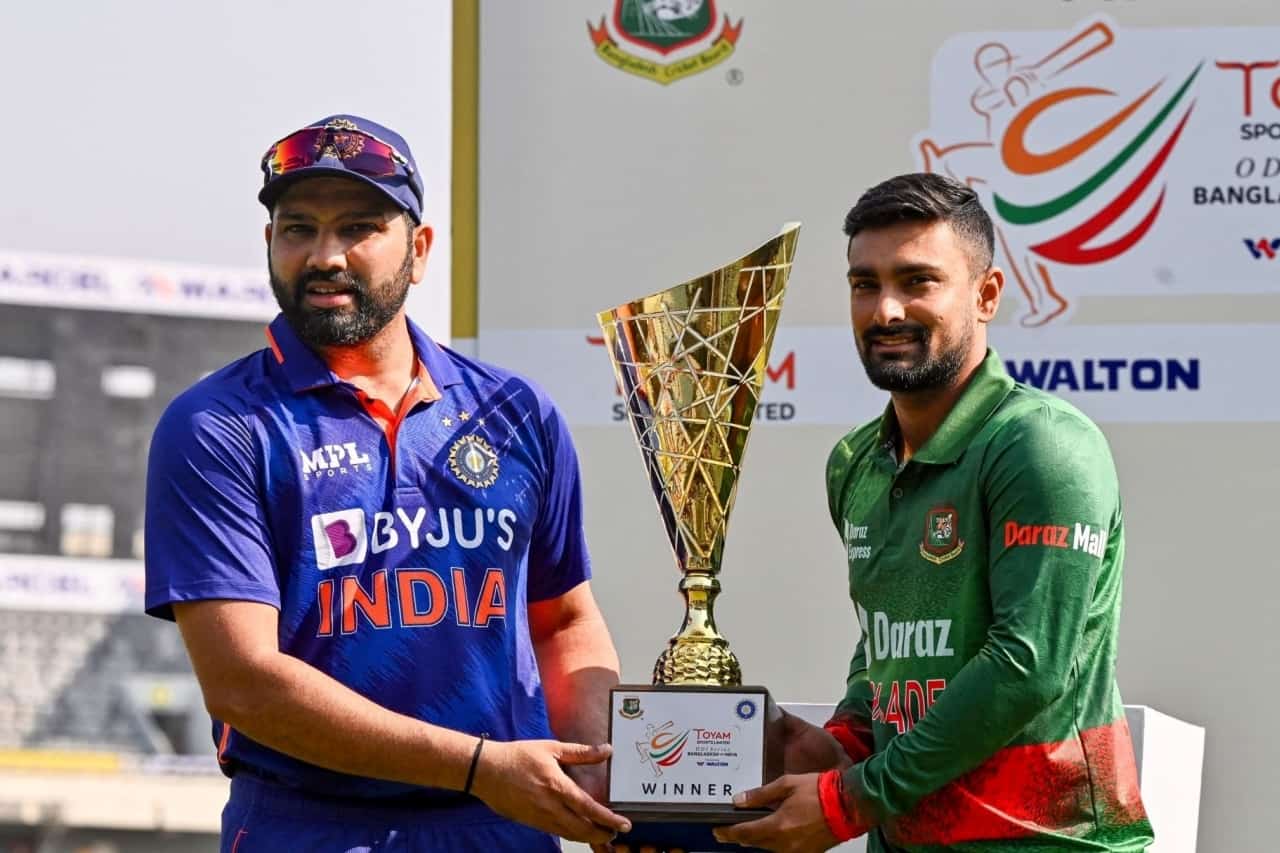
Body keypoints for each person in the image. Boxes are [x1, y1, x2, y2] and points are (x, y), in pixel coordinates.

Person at [144, 114, 632, 852]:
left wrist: (596, 768)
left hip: (504, 825)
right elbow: (244, 682)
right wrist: (477, 767)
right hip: (308, 825)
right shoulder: (218, 425)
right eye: (297, 228)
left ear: (420, 248)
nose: (325, 256)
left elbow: (563, 620)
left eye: (360, 227)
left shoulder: (516, 413)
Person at [713, 173, 1154, 852]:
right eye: (865, 284)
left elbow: (1027, 664)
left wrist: (851, 798)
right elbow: (886, 644)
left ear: (986, 295)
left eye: (917, 281)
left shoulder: (1040, 445)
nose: (886, 310)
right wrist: (846, 742)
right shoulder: (857, 462)